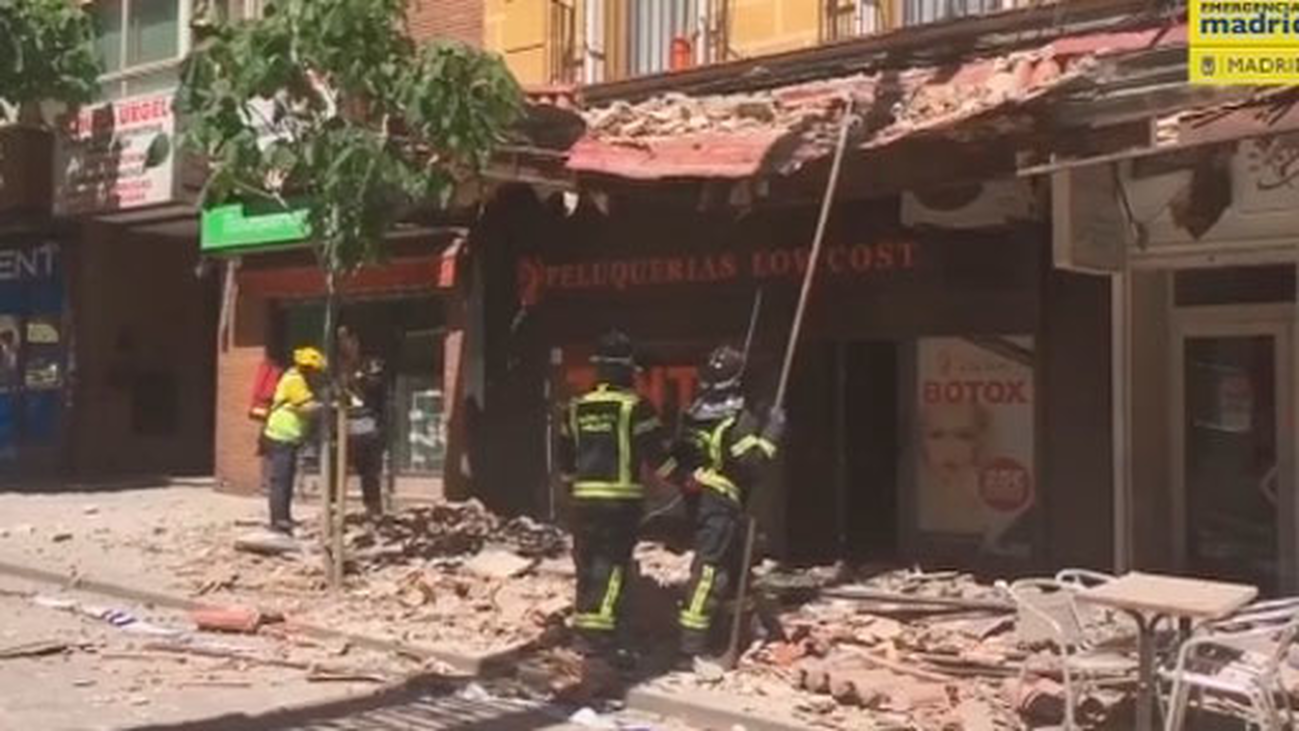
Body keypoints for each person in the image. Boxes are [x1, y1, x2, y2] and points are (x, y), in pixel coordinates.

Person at [557, 329, 673, 658]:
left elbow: (565, 458)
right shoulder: (635, 407)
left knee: (587, 562)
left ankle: (585, 629)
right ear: (626, 370)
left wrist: (571, 490)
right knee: (611, 566)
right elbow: (657, 458)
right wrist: (687, 480)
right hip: (619, 503)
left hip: (583, 502)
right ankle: (599, 638)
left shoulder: (577, 406)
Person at [672, 344, 784, 660]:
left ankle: (743, 632)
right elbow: (754, 464)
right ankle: (690, 647)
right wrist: (772, 431)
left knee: (735, 570)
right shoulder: (737, 420)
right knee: (710, 572)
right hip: (721, 504)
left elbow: (678, 456)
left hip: (701, 500)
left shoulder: (692, 413)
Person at [261, 346, 326, 535]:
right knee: (280, 480)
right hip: (281, 435)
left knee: (286, 479)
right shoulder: (295, 381)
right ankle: (279, 522)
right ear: (307, 368)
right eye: (315, 371)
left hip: (288, 436)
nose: (317, 375)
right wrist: (328, 405)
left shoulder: (298, 379)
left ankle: (284, 518)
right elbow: (306, 407)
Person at [338, 326, 387, 518]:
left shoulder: (369, 363)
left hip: (367, 423)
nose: (344, 345)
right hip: (346, 423)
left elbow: (375, 385)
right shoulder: (340, 365)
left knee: (369, 470)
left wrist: (358, 378)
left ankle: (373, 508)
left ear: (355, 340)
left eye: (346, 339)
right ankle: (337, 507)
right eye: (340, 341)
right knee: (341, 466)